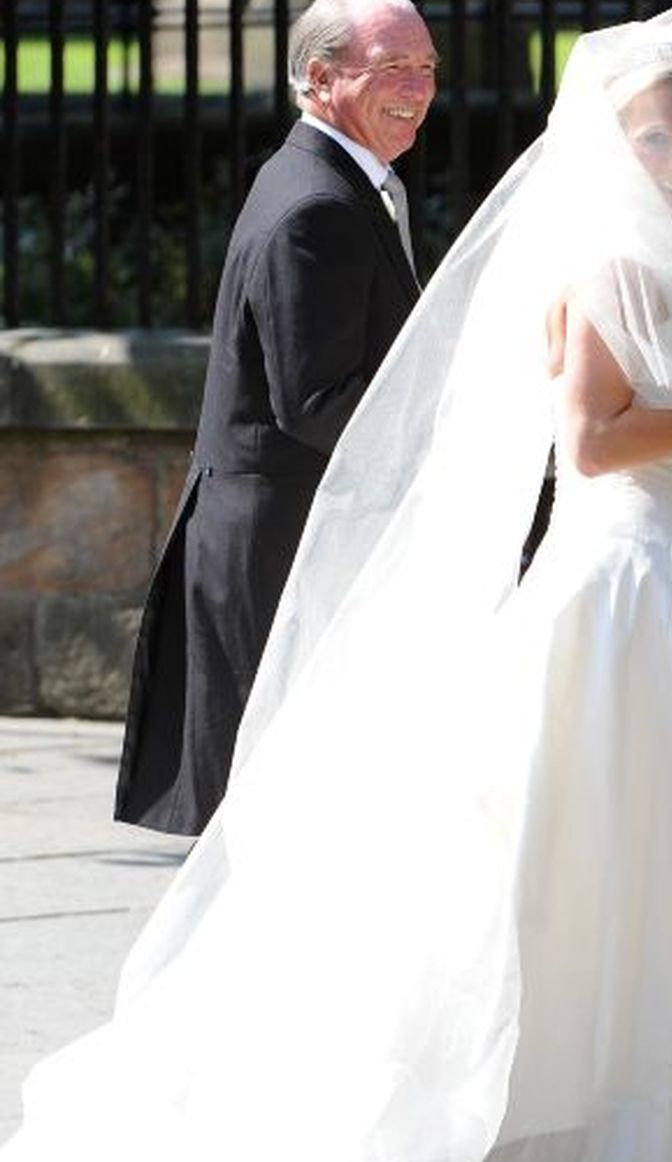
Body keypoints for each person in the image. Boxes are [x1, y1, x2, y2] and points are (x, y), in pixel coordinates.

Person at [1, 7, 672, 1162]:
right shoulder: (599, 258)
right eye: (659, 141)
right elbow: (594, 442)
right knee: (589, 844)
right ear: (610, 141)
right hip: (622, 578)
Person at [113, 0, 437, 836]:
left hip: (284, 532)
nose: (418, 89)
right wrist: (456, 434)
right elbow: (319, 402)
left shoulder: (332, 178)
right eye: (392, 68)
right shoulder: (318, 208)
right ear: (321, 78)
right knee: (272, 817)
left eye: (427, 68)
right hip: (281, 546)